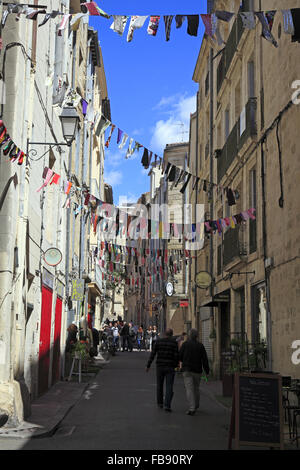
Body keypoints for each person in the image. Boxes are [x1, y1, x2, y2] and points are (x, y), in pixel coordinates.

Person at [146, 328, 179, 412]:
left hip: (160, 366)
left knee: (159, 385)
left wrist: (148, 365)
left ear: (164, 334)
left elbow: (153, 354)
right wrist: (176, 366)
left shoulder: (159, 342)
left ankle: (160, 402)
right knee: (169, 386)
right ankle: (167, 405)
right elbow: (176, 355)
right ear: (171, 335)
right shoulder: (174, 343)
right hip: (170, 366)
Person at [179, 329, 210, 416]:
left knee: (189, 389)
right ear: (197, 336)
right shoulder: (200, 346)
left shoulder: (185, 345)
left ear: (189, 336)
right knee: (196, 388)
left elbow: (180, 356)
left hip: (187, 370)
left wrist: (183, 361)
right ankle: (196, 405)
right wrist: (207, 371)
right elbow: (204, 359)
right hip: (197, 370)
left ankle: (192, 408)